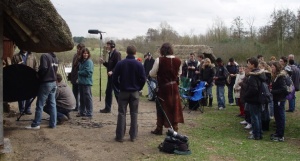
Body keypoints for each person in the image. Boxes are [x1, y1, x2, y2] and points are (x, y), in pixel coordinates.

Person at [113, 45, 146, 142]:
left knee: (121, 114)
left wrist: (119, 87)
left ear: (126, 52)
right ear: (135, 53)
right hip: (134, 92)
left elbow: (114, 78)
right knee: (134, 113)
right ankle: (133, 136)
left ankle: (120, 136)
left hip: (123, 91)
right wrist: (139, 88)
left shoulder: (120, 63)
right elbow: (143, 79)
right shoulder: (139, 64)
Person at [149, 42, 184, 134]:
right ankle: (174, 128)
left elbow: (152, 74)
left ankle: (159, 128)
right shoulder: (178, 60)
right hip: (174, 87)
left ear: (162, 50)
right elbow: (179, 73)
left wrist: (159, 75)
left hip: (164, 88)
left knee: (161, 107)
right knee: (174, 107)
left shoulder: (159, 60)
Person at [25, 52, 58, 129]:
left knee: (40, 104)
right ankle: (53, 124)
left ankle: (36, 124)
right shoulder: (55, 58)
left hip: (46, 83)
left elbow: (44, 68)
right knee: (52, 104)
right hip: (54, 83)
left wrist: (38, 75)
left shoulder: (45, 56)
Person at [244, 57, 266, 140]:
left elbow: (254, 89)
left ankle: (256, 134)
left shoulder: (253, 75)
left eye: (249, 63)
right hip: (258, 99)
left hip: (254, 99)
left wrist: (246, 95)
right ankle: (259, 133)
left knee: (255, 117)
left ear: (253, 65)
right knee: (258, 116)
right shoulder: (259, 73)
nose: (247, 65)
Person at [11, 49, 38, 115]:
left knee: (30, 94)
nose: (24, 48)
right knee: (20, 94)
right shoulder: (15, 56)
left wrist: (35, 75)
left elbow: (36, 66)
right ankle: (22, 110)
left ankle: (27, 109)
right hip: (20, 78)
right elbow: (12, 67)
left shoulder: (32, 56)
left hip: (30, 78)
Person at [99, 40, 121, 113]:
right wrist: (104, 62)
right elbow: (109, 65)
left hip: (115, 77)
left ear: (112, 45)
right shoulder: (110, 54)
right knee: (108, 92)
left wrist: (112, 71)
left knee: (116, 93)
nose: (107, 46)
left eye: (108, 45)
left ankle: (121, 108)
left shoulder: (117, 53)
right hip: (110, 76)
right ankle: (107, 108)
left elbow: (118, 65)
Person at [270, 61, 288, 142]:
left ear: (276, 68)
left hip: (280, 99)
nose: (271, 68)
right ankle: (277, 132)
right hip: (276, 99)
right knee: (277, 117)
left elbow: (283, 89)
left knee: (280, 117)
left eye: (273, 67)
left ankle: (281, 135)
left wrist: (272, 91)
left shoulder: (281, 77)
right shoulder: (276, 76)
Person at [76, 48, 94, 118]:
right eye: (84, 53)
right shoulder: (82, 61)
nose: (85, 54)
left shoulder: (89, 62)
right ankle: (82, 111)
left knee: (87, 98)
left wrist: (79, 72)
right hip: (81, 82)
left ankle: (89, 113)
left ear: (88, 54)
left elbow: (88, 72)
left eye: (86, 53)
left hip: (86, 83)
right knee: (82, 98)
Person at [70, 43, 85, 112]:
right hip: (74, 76)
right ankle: (76, 106)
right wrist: (71, 76)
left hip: (79, 78)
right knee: (74, 92)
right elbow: (73, 67)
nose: (78, 50)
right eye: (77, 48)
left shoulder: (83, 57)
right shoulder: (75, 56)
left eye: (80, 49)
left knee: (80, 93)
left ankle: (80, 107)